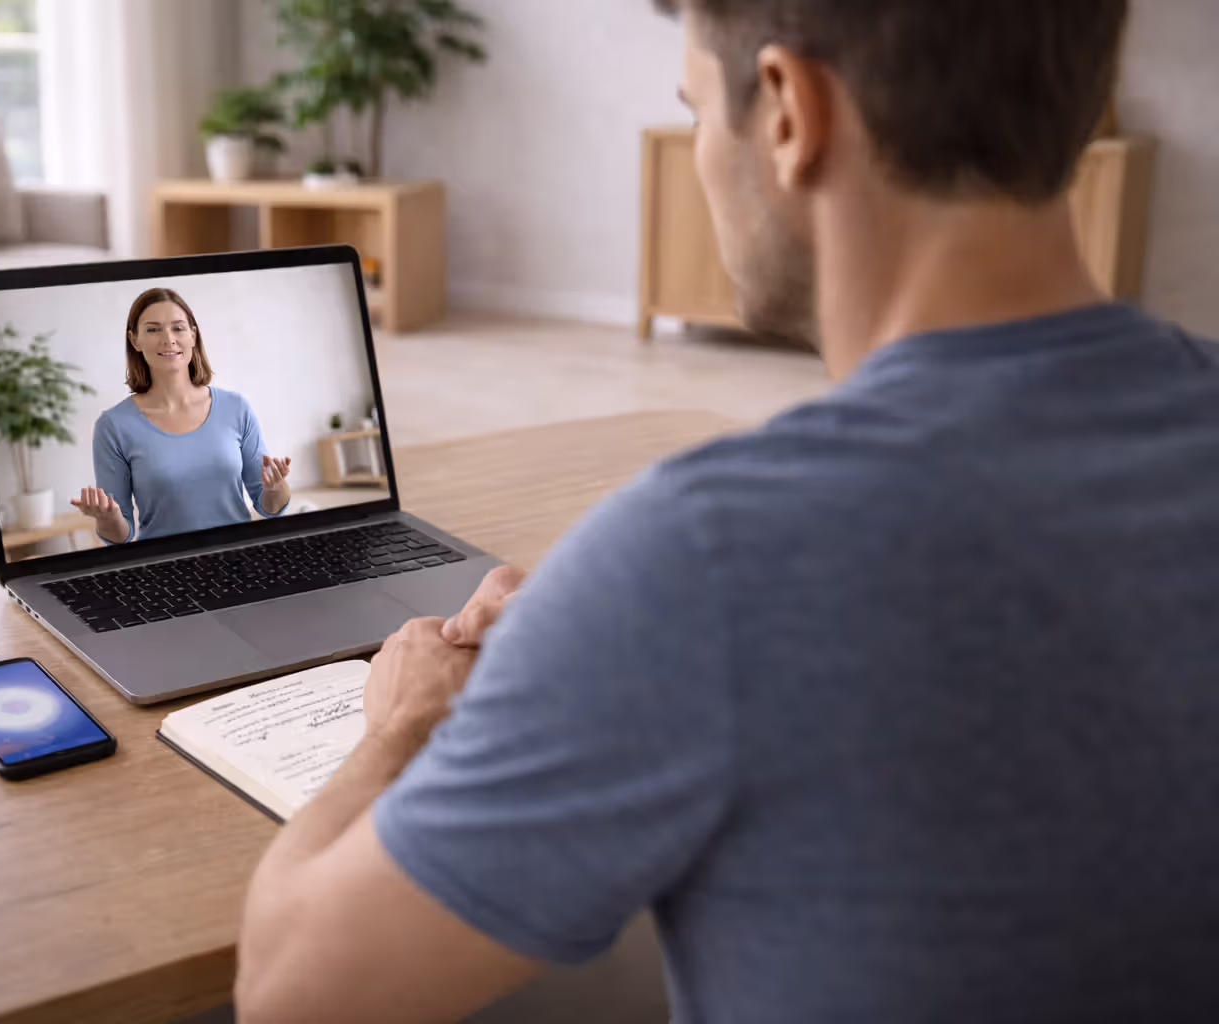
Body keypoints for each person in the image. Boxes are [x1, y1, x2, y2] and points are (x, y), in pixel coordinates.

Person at [236, 1, 1219, 1021]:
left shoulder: (705, 556)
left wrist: (403, 723)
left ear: (789, 112)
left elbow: (290, 994)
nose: (703, 149)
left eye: (696, 107)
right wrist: (602, 639)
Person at [72, 287, 292, 543]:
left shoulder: (237, 408)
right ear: (135, 340)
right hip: (164, 563)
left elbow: (269, 507)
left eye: (178, 328)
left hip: (238, 557)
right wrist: (108, 519)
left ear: (193, 335)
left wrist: (276, 489)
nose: (168, 339)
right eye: (153, 330)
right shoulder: (113, 426)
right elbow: (122, 536)